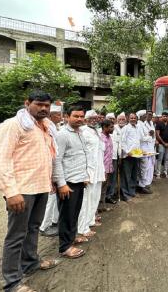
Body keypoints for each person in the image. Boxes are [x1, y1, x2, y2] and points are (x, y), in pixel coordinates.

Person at [0, 91, 59, 291]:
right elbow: (1, 160)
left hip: (41, 186)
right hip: (21, 190)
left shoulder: (45, 127)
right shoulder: (13, 125)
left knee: (33, 228)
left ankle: (30, 263)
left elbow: (48, 156)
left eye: (47, 105)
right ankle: (12, 281)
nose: (44, 109)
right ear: (27, 103)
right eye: (39, 104)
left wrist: (52, 181)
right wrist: (11, 192)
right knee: (16, 235)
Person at [53, 105, 89, 259]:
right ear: (67, 116)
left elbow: (79, 156)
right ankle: (65, 247)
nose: (80, 119)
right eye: (76, 116)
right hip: (67, 182)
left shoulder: (80, 133)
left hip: (79, 180)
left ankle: (71, 238)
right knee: (66, 216)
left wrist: (84, 176)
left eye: (81, 116)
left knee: (74, 213)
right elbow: (56, 160)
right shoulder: (62, 135)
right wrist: (61, 184)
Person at [77, 110, 106, 239]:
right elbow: (81, 153)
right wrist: (84, 173)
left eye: (96, 118)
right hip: (88, 171)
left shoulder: (97, 131)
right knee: (86, 200)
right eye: (91, 118)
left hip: (98, 170)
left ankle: (90, 221)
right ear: (86, 119)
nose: (94, 120)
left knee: (95, 197)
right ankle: (82, 228)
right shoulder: (82, 131)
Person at [39, 104, 63, 237]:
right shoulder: (47, 125)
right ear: (51, 115)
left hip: (54, 165)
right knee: (51, 198)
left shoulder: (54, 126)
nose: (60, 117)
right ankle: (44, 226)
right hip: (49, 166)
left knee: (54, 198)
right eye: (58, 115)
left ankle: (54, 221)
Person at [106, 112, 126, 203]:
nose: (111, 120)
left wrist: (120, 157)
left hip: (115, 157)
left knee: (113, 177)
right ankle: (106, 195)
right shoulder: (101, 130)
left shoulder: (117, 129)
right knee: (107, 178)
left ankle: (111, 194)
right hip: (106, 158)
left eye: (113, 119)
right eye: (109, 119)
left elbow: (119, 144)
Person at [120, 113, 141, 201]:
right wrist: (127, 152)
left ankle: (132, 192)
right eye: (131, 118)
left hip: (136, 154)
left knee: (134, 174)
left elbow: (137, 141)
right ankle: (125, 194)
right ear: (128, 119)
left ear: (136, 119)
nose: (133, 119)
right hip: (128, 155)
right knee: (126, 175)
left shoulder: (137, 128)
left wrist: (140, 152)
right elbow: (122, 142)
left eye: (134, 118)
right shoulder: (126, 128)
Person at [137, 110, 155, 193]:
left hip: (149, 147)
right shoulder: (139, 125)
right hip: (143, 148)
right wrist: (149, 135)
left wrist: (150, 136)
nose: (146, 116)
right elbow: (141, 138)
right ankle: (142, 185)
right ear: (140, 117)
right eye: (144, 115)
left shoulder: (145, 124)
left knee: (148, 166)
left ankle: (146, 183)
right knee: (143, 167)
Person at [99, 119, 115, 212]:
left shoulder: (109, 137)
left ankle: (102, 206)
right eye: (111, 127)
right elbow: (100, 156)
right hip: (102, 169)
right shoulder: (101, 138)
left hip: (108, 167)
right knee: (99, 189)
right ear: (105, 127)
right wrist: (103, 170)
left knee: (104, 188)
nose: (113, 129)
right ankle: (96, 209)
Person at [155, 112, 168, 178]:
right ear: (161, 117)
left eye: (166, 116)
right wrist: (163, 143)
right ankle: (158, 174)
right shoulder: (158, 124)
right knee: (160, 159)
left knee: (166, 159)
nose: (165, 117)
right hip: (161, 144)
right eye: (164, 116)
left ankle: (165, 173)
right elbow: (157, 135)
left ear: (167, 117)